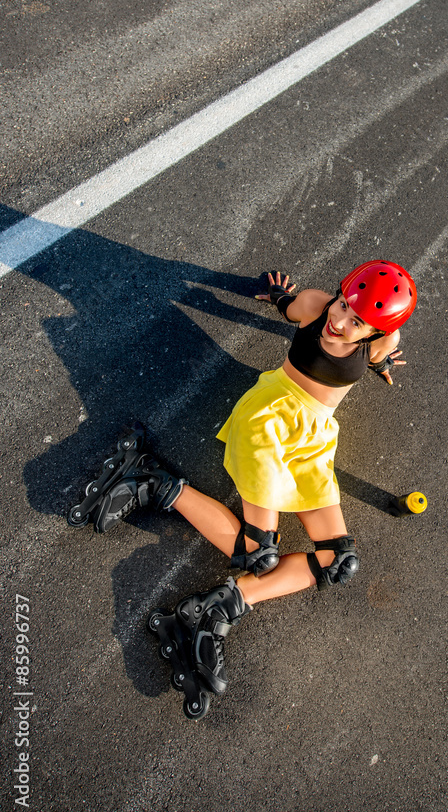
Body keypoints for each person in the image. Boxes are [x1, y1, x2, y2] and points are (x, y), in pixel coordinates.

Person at [69, 259, 417, 714]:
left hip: (313, 436)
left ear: (373, 333)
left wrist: (384, 359)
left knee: (338, 561)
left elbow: (385, 342)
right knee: (258, 552)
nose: (339, 321)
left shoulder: (379, 339)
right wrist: (279, 296)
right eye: (344, 305)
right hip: (270, 417)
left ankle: (217, 608)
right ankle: (150, 480)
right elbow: (290, 306)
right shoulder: (316, 308)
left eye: (356, 323)